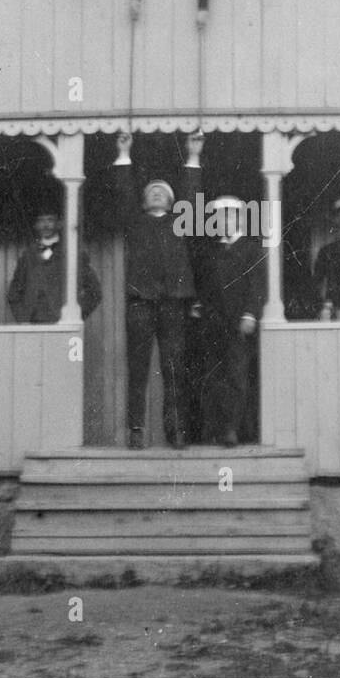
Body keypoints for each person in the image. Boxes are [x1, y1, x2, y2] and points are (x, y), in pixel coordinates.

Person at [113, 131, 202, 448]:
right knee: (137, 370)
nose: (155, 193)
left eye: (162, 191)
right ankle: (136, 432)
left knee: (174, 369)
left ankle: (176, 431)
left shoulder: (181, 221)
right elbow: (123, 192)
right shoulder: (134, 222)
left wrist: (193, 156)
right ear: (143, 201)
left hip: (173, 305)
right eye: (151, 191)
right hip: (140, 304)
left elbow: (192, 195)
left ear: (172, 201)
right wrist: (124, 153)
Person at [192, 196, 266, 447]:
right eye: (220, 217)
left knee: (237, 376)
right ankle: (214, 430)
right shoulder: (210, 250)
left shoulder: (251, 249)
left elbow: (257, 285)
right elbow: (204, 285)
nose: (225, 221)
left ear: (240, 219)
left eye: (231, 216)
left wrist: (250, 314)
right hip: (213, 323)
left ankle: (232, 430)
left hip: (238, 323)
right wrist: (199, 306)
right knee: (213, 376)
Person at [7, 205, 101, 323]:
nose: (45, 225)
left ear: (59, 224)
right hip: (32, 324)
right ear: (36, 225)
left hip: (63, 323)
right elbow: (14, 293)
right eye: (41, 221)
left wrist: (75, 315)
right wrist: (22, 318)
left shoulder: (73, 253)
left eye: (50, 220)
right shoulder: (27, 256)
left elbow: (95, 292)